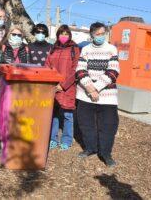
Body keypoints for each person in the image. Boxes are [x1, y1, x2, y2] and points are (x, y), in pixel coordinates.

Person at [75, 22, 120, 167]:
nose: (100, 36)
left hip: (107, 97)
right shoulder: (86, 50)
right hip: (85, 95)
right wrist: (89, 88)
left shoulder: (111, 49)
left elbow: (113, 72)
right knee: (85, 124)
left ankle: (105, 153)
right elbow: (80, 70)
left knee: (108, 126)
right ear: (92, 35)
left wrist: (96, 88)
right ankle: (90, 148)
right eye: (97, 34)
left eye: (103, 34)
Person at [46, 24, 80, 151]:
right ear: (57, 35)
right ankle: (53, 139)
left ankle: (66, 140)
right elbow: (47, 66)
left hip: (67, 87)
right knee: (53, 114)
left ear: (70, 35)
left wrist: (63, 84)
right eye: (61, 33)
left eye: (66, 34)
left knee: (68, 115)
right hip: (53, 86)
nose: (64, 36)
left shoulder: (74, 48)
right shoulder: (53, 48)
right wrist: (50, 83)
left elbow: (75, 69)